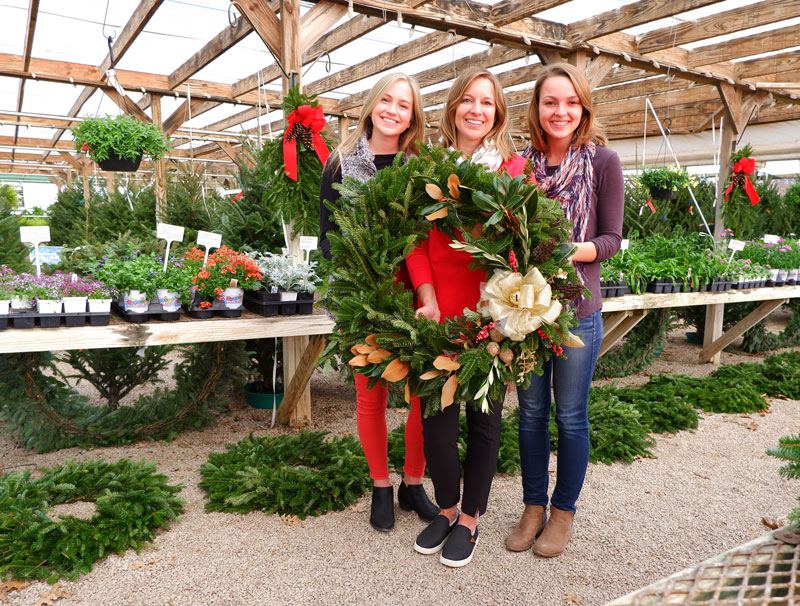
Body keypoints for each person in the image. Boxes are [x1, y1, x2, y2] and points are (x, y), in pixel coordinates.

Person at [407, 66, 527, 568]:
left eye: (488, 102)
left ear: (497, 112)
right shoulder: (430, 167)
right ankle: (448, 508)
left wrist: (509, 309)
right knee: (436, 420)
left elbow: (521, 247)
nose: (477, 109)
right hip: (439, 312)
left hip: (488, 319)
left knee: (483, 421)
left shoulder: (512, 169)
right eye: (469, 100)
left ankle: (472, 518)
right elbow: (414, 241)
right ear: (454, 106)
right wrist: (427, 296)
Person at [505, 62, 623, 558]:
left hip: (577, 309)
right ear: (536, 108)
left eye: (571, 102)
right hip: (528, 308)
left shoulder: (603, 162)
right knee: (531, 412)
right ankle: (533, 506)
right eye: (551, 101)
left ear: (583, 108)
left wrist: (566, 250)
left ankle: (563, 512)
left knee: (571, 415)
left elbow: (612, 240)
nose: (561, 111)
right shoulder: (518, 166)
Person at [319, 73, 440, 532]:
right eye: (386, 100)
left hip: (415, 293)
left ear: (413, 116)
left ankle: (413, 483)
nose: (393, 110)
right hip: (361, 296)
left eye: (403, 105)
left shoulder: (419, 166)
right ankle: (380, 486)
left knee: (420, 396)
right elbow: (328, 238)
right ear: (372, 105)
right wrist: (364, 269)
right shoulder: (340, 163)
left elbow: (428, 233)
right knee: (370, 395)